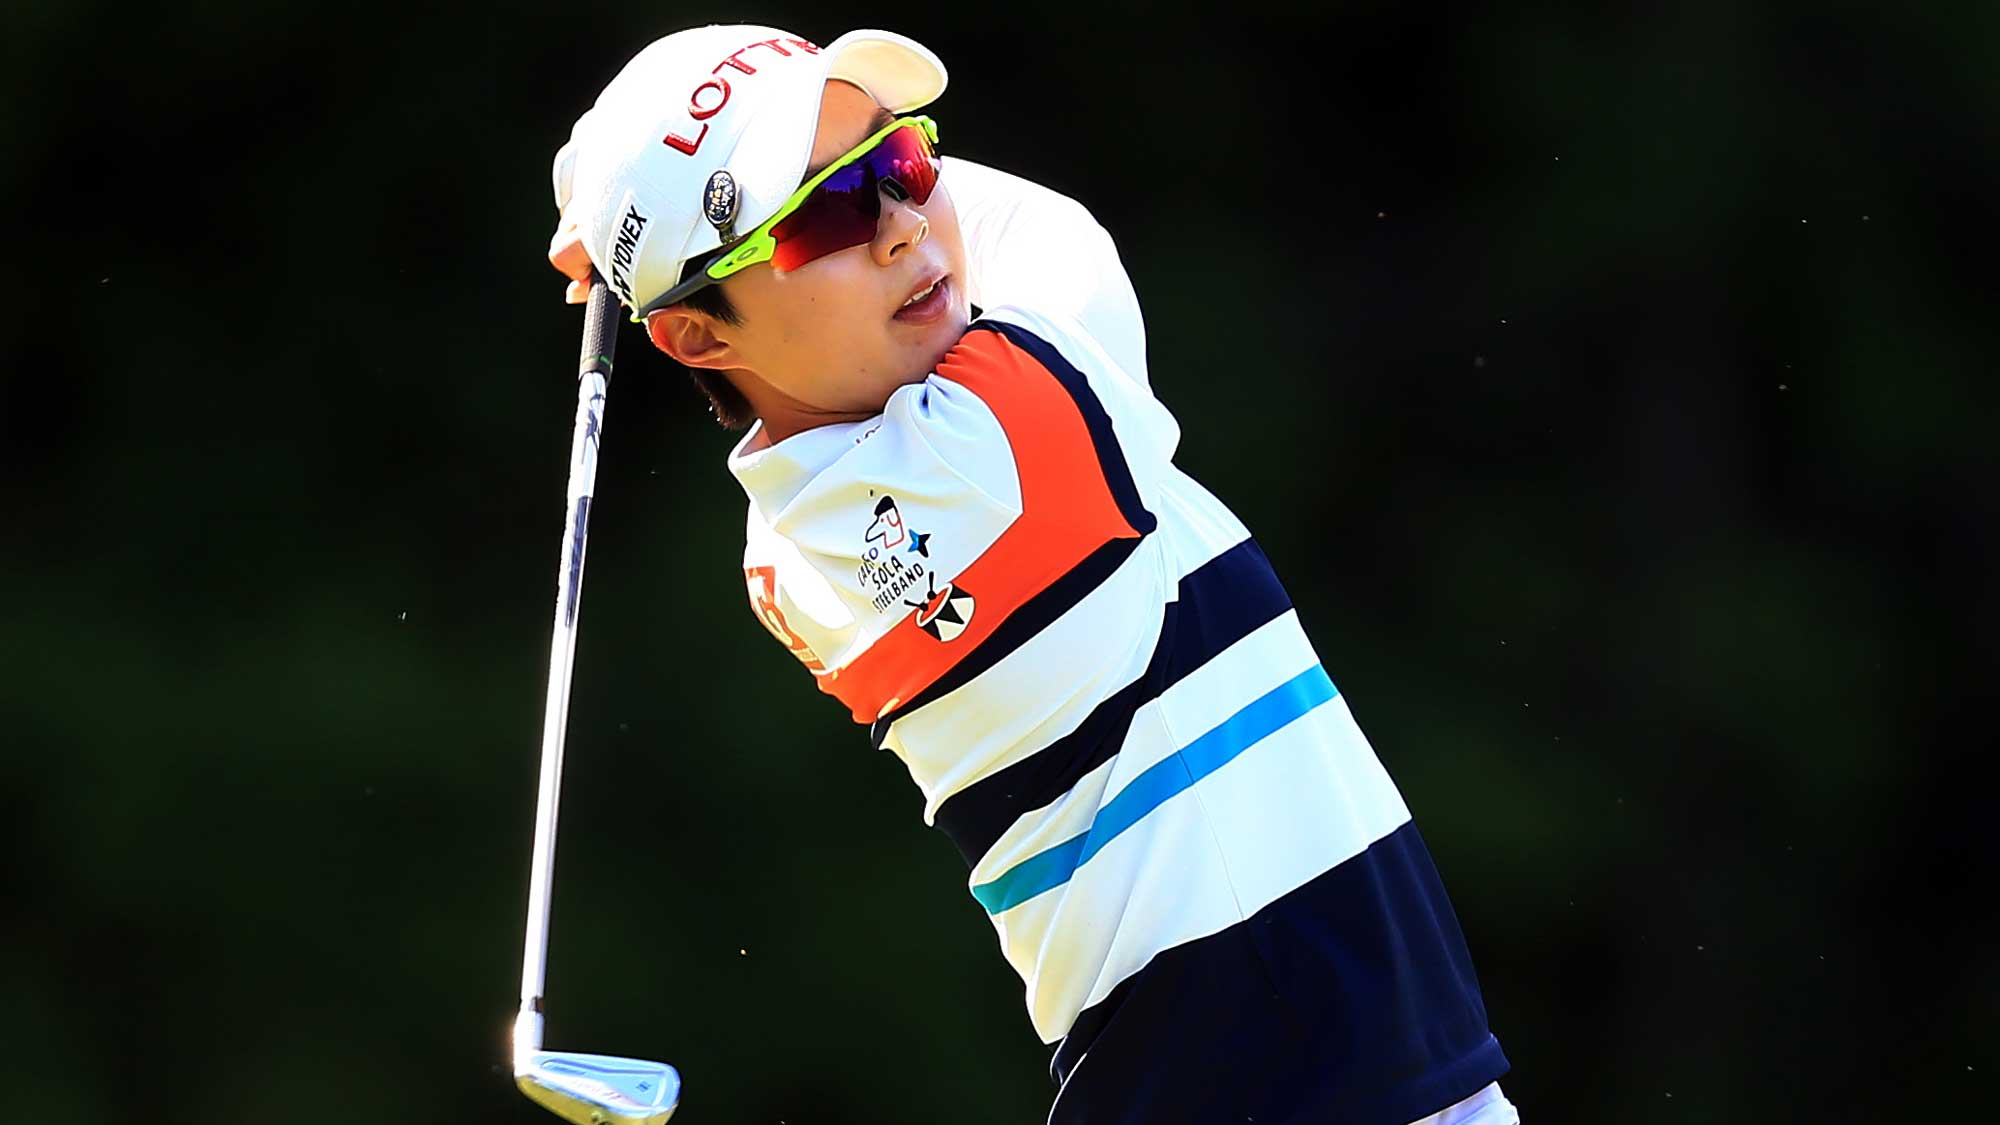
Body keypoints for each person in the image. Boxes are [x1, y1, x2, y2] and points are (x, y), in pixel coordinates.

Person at [546, 24, 1519, 1125]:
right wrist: (613, 190)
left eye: (899, 162)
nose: (903, 223)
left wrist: (618, 184)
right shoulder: (998, 453)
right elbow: (1053, 232)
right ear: (691, 340)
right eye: (822, 211)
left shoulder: (785, 547)